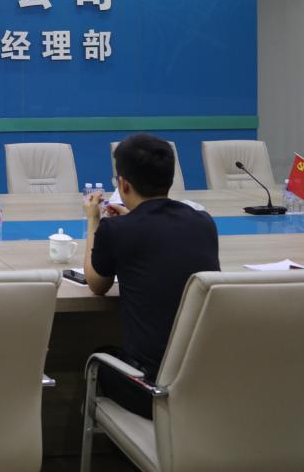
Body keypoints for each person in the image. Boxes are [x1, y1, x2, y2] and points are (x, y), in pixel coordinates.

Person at [84, 133, 220, 419]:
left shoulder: (117, 230)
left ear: (123, 184)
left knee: (95, 357)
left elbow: (96, 284)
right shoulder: (203, 223)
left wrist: (93, 220)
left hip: (149, 389)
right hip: (204, 385)